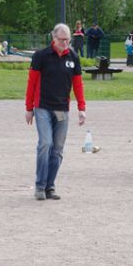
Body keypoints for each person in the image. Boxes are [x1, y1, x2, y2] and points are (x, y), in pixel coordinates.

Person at [25, 23, 87, 201]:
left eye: (68, 40)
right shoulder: (41, 56)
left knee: (58, 149)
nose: (65, 43)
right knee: (45, 144)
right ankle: (40, 186)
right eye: (62, 40)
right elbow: (32, 83)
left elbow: (78, 84)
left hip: (62, 109)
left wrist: (81, 108)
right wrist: (29, 108)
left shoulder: (73, 57)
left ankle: (50, 186)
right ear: (54, 38)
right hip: (43, 106)